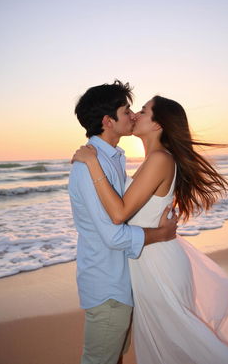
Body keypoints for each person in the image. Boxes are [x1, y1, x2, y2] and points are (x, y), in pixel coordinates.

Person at [72, 95, 228, 364]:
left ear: (158, 125)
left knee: (184, 341)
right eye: (131, 110)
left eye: (142, 111)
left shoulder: (159, 160)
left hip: (159, 264)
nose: (135, 115)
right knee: (168, 346)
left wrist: (93, 163)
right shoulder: (152, 160)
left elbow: (119, 213)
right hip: (151, 262)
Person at [68, 81, 178, 364]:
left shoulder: (113, 159)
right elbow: (113, 235)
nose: (133, 115)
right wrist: (161, 234)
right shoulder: (89, 165)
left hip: (123, 282)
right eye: (127, 110)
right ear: (108, 121)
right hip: (108, 285)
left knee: (114, 356)